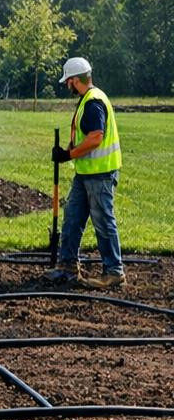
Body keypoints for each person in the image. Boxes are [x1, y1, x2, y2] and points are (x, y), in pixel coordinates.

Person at [50, 57, 124, 289]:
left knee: (103, 222)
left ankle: (114, 272)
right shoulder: (87, 100)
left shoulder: (93, 103)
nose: (66, 86)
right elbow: (84, 138)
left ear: (75, 80)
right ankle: (68, 265)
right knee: (72, 218)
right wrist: (67, 151)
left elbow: (95, 137)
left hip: (100, 174)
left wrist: (68, 156)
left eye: (67, 81)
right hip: (85, 174)